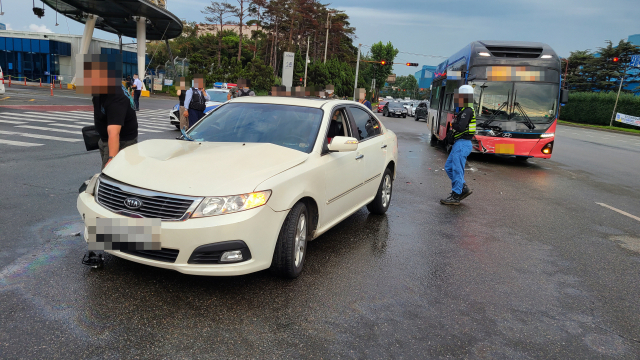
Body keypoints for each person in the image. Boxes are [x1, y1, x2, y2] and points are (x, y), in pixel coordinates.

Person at [77, 54, 138, 170]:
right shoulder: (100, 90)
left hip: (121, 142)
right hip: (106, 139)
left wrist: (112, 158)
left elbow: (114, 132)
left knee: (110, 175)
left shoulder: (116, 96)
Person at [440, 85, 476, 205]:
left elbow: (460, 127)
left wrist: (452, 125)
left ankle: (456, 195)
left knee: (456, 169)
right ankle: (463, 188)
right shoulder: (464, 111)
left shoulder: (467, 111)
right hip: (459, 144)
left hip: (463, 144)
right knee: (449, 167)